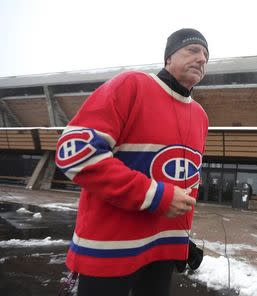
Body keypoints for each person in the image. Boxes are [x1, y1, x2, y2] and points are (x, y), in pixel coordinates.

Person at [55, 28, 209, 296]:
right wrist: (155, 195)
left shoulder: (200, 115)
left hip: (163, 251)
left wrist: (183, 240)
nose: (201, 59)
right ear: (168, 58)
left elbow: (181, 183)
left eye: (206, 56)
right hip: (108, 249)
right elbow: (75, 152)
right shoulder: (132, 85)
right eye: (193, 50)